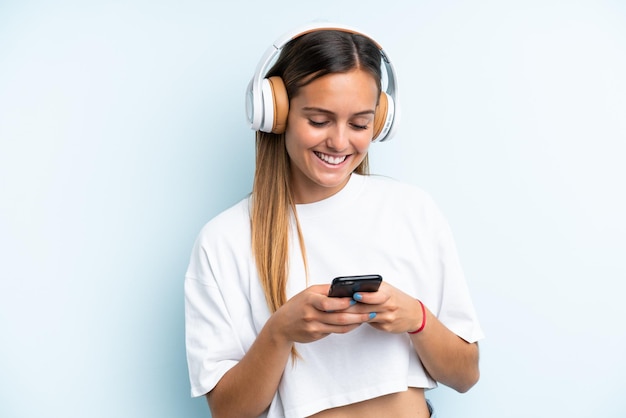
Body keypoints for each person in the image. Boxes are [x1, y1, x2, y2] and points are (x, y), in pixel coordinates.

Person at [184, 22, 484, 418]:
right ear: (276, 113)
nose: (340, 142)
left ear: (378, 122)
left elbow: (465, 375)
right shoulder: (224, 240)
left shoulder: (412, 210)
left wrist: (417, 318)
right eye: (319, 120)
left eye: (359, 124)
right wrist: (280, 331)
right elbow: (228, 411)